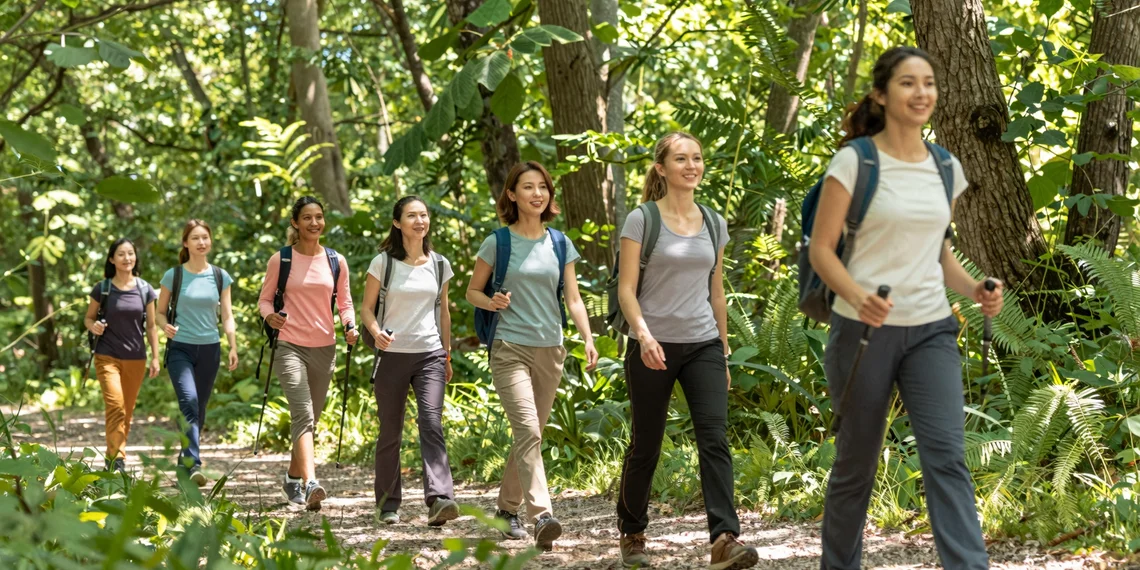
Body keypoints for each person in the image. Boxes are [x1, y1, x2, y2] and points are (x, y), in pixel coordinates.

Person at [809, 46, 1004, 570]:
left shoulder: (945, 167)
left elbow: (939, 254)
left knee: (947, 457)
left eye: (929, 83)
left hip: (931, 329)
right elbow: (821, 250)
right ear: (880, 94)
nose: (922, 93)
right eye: (908, 83)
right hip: (863, 331)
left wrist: (976, 289)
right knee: (856, 464)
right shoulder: (855, 162)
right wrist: (858, 297)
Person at [614, 132, 758, 570]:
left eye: (697, 157)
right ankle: (633, 533)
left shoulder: (714, 222)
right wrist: (644, 336)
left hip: (703, 344)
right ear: (661, 168)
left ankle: (724, 539)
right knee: (646, 444)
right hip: (652, 345)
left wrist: (724, 350)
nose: (691, 165)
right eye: (681, 159)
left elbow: (717, 292)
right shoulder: (641, 220)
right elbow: (626, 289)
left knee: (714, 438)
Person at [465, 161, 599, 552]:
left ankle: (506, 510)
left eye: (543, 186)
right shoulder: (498, 242)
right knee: (528, 431)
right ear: (512, 194)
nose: (537, 193)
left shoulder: (560, 243)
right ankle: (542, 515)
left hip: (551, 348)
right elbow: (472, 291)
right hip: (509, 347)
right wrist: (491, 301)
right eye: (527, 187)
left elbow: (573, 298)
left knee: (530, 434)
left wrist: (588, 338)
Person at [362, 195, 459, 527]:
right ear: (397, 223)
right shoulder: (383, 263)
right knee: (391, 430)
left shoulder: (440, 264)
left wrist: (447, 353)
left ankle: (440, 499)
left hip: (430, 354)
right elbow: (367, 309)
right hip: (391, 356)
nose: (420, 221)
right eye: (412, 216)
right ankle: (388, 504)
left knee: (431, 422)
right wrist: (376, 332)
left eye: (424, 215)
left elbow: (443, 312)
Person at [258, 196, 358, 511]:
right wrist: (269, 317)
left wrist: (350, 325)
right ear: (295, 223)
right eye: (307, 218)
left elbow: (345, 302)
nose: (314, 223)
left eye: (318, 217)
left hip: (324, 347)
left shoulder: (336, 260)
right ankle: (311, 482)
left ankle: (291, 477)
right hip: (289, 344)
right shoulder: (281, 259)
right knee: (303, 414)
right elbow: (264, 300)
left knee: (311, 419)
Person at [155, 220, 237, 487]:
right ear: (185, 243)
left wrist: (233, 345)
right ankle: (194, 463)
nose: (201, 242)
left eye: (205, 237)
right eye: (195, 238)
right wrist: (164, 326)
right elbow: (159, 312)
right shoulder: (174, 275)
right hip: (180, 347)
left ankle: (184, 465)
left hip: (210, 348)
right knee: (189, 402)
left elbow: (227, 315)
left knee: (198, 409)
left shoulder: (220, 276)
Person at [83, 238, 160, 473]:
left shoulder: (145, 289)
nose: (127, 258)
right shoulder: (103, 288)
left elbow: (151, 326)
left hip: (136, 357)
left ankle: (112, 459)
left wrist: (155, 357)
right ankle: (117, 460)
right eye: (121, 254)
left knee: (126, 410)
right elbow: (88, 318)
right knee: (116, 406)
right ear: (112, 259)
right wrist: (93, 326)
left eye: (130, 253)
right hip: (107, 356)